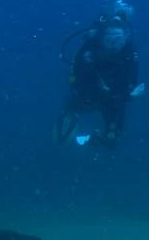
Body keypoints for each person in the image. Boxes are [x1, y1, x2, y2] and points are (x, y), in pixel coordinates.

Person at [57, 9, 144, 147]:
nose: (114, 45)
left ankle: (89, 142)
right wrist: (124, 95)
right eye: (109, 40)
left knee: (112, 140)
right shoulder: (89, 54)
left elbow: (131, 81)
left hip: (114, 99)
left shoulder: (129, 54)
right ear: (102, 39)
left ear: (125, 38)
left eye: (118, 40)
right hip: (86, 98)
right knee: (62, 138)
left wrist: (124, 94)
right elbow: (82, 86)